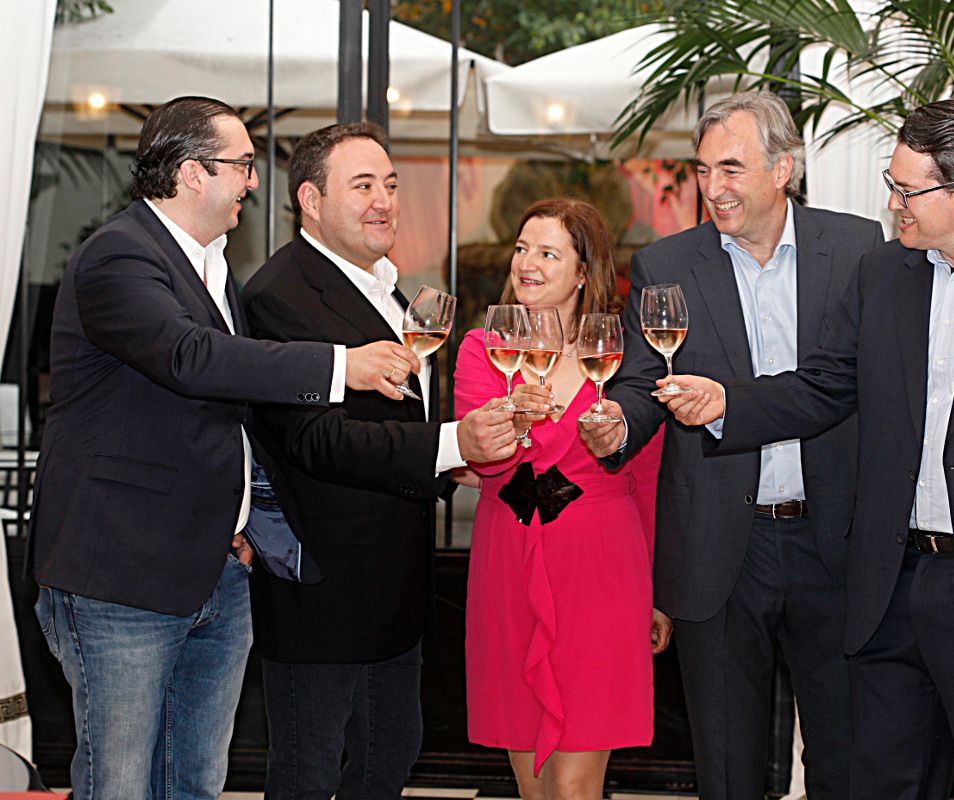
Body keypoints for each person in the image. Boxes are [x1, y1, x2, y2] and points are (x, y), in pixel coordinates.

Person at [660, 100, 954, 799]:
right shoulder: (884, 274)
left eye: (906, 190)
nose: (891, 205)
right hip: (890, 586)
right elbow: (825, 385)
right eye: (891, 185)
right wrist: (731, 402)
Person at [28, 96, 415, 800]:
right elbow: (188, 358)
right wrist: (340, 365)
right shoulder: (120, 254)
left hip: (214, 570)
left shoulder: (212, 266)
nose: (253, 180)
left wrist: (243, 522)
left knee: (196, 783)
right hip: (122, 577)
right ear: (189, 173)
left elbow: (224, 416)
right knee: (119, 785)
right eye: (241, 164)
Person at [577, 90, 883, 799]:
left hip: (836, 543)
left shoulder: (859, 250)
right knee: (727, 771)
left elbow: (869, 385)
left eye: (732, 169)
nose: (714, 189)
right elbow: (642, 380)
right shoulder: (666, 265)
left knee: (846, 762)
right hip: (720, 550)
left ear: (783, 170)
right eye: (704, 169)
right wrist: (619, 422)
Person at [240, 122, 518, 799]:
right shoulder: (278, 294)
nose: (385, 202)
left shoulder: (389, 289)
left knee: (387, 761)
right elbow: (317, 441)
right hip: (322, 598)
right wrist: (451, 443)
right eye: (362, 185)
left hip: (395, 590)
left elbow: (390, 421)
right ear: (310, 198)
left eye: (390, 185)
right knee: (309, 773)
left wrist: (444, 462)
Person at [454, 198, 671, 800]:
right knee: (534, 784)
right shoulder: (483, 349)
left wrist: (659, 593)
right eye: (522, 249)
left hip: (602, 567)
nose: (528, 264)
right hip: (510, 559)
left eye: (548, 253)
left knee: (576, 786)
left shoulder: (621, 356)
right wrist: (513, 423)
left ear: (583, 272)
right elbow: (484, 460)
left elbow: (648, 478)